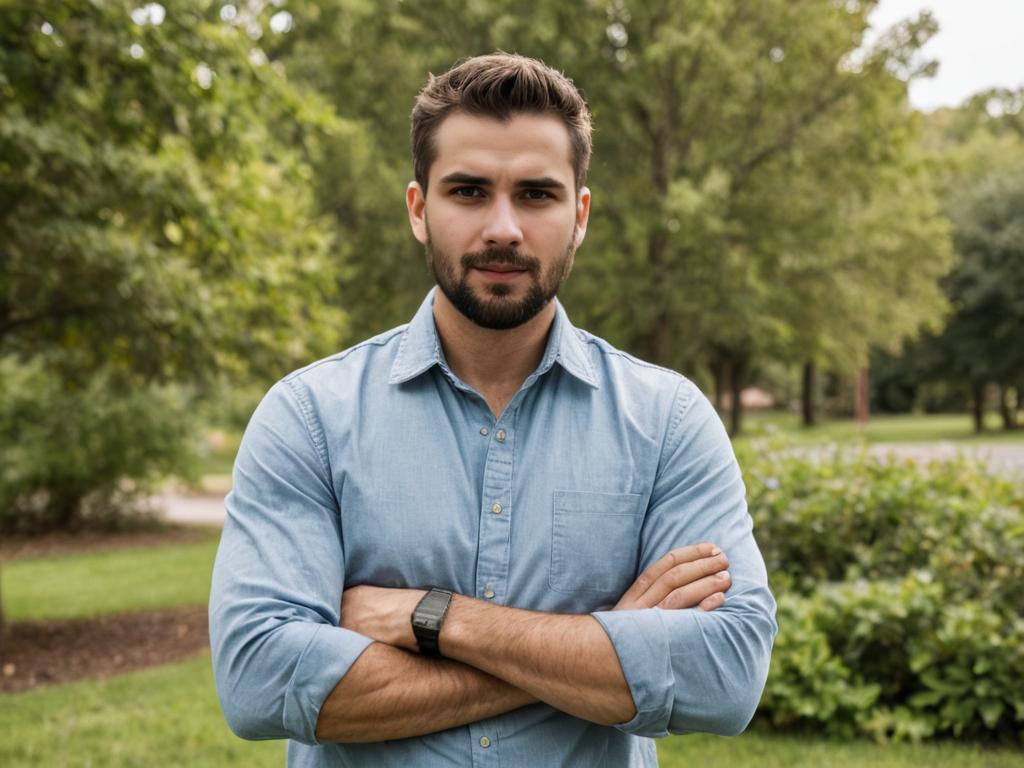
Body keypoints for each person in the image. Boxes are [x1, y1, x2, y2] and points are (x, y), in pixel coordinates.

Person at [209, 53, 776, 767]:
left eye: (537, 195)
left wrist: (432, 619)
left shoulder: (667, 422)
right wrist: (604, 646)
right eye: (469, 191)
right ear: (420, 210)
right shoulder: (309, 419)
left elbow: (724, 678)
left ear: (580, 215)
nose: (503, 228)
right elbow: (259, 681)